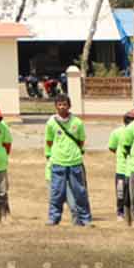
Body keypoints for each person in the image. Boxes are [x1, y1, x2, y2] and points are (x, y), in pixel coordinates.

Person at [44, 95, 92, 227]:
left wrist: (74, 152)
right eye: (59, 104)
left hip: (75, 162)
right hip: (58, 162)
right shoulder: (51, 122)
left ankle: (85, 219)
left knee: (80, 192)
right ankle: (54, 218)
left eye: (64, 104)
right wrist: (50, 156)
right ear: (55, 106)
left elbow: (81, 140)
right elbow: (49, 141)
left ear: (69, 106)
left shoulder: (77, 122)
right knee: (57, 192)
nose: (62, 107)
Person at [109, 109, 134, 220]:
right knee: (121, 193)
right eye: (128, 120)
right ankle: (120, 212)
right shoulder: (116, 133)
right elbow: (112, 147)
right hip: (121, 169)